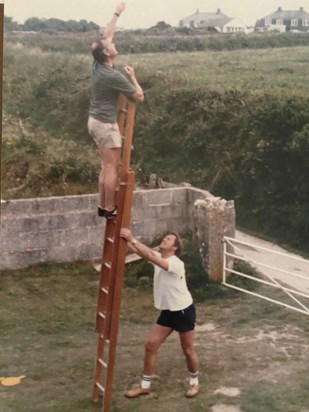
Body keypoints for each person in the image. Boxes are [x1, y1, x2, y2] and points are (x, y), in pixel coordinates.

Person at [120, 229, 200, 398]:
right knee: (150, 345)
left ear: (175, 247)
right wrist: (124, 238)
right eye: (164, 237)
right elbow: (146, 252)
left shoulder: (175, 263)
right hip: (168, 312)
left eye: (169, 239)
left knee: (187, 350)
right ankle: (145, 386)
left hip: (183, 311)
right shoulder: (159, 256)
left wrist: (132, 239)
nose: (164, 239)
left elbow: (149, 256)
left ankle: (194, 383)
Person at [88, 3, 144, 218]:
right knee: (112, 168)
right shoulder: (113, 76)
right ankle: (110, 207)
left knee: (105, 166)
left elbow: (106, 35)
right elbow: (138, 97)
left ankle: (103, 206)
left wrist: (117, 13)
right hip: (106, 125)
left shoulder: (97, 65)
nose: (113, 43)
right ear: (106, 53)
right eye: (109, 45)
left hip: (94, 122)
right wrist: (133, 77)